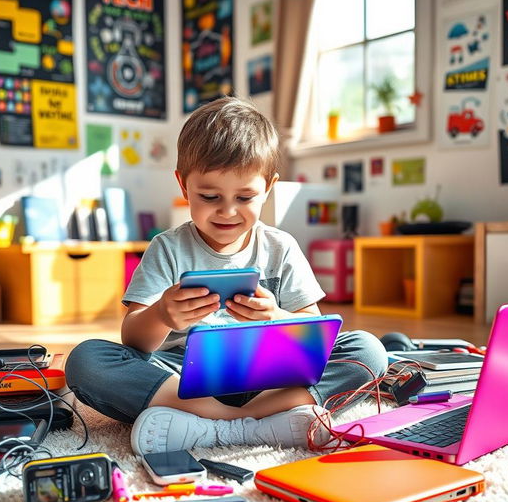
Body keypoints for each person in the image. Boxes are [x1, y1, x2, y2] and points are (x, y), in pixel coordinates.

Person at [65, 97, 387, 455]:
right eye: (209, 195)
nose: (227, 211)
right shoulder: (167, 248)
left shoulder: (280, 247)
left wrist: (276, 318)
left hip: (268, 378)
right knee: (86, 360)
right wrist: (161, 315)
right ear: (184, 186)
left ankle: (231, 421)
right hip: (183, 378)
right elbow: (134, 339)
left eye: (245, 196)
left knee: (368, 350)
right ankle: (244, 421)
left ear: (268, 187)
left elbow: (311, 333)